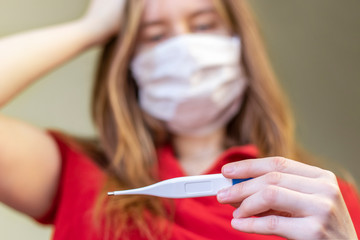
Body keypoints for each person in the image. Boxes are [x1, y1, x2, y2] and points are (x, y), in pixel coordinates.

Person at [0, 0, 359, 239]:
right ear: (128, 64)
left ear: (239, 44)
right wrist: (89, 28)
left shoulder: (321, 200)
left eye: (203, 26)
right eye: (154, 35)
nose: (184, 49)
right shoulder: (77, 176)